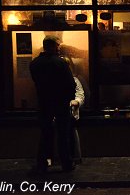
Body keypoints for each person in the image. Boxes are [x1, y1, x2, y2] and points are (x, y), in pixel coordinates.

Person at [30, 35, 76, 173]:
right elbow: (70, 84)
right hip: (60, 102)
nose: (59, 48)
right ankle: (66, 163)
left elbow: (36, 82)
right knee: (63, 134)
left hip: (44, 102)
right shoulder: (60, 63)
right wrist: (69, 98)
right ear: (53, 46)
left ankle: (42, 163)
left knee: (45, 133)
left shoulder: (35, 63)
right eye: (57, 46)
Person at [61, 56, 85, 164]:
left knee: (70, 136)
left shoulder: (74, 79)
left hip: (70, 113)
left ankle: (72, 158)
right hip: (57, 113)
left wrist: (77, 101)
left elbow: (80, 94)